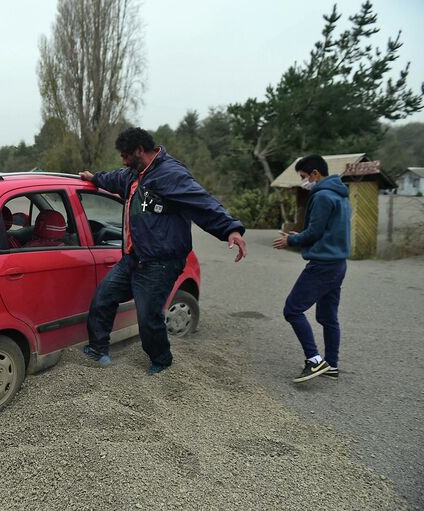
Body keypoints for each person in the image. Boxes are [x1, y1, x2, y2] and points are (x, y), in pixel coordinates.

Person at [79, 127, 246, 374]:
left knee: (148, 318)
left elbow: (202, 202)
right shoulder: (134, 174)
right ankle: (97, 350)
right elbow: (114, 179)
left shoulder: (171, 175)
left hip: (161, 262)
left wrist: (231, 229)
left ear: (139, 151)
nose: (123, 161)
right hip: (134, 257)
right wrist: (94, 178)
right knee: (104, 297)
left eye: (126, 155)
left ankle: (161, 362)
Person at [273, 154, 350, 383]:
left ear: (316, 173)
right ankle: (332, 365)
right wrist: (302, 236)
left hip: (322, 265)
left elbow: (315, 232)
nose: (304, 181)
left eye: (305, 176)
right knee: (328, 317)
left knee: (292, 309)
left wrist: (292, 240)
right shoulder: (341, 195)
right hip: (338, 263)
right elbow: (326, 231)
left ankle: (314, 360)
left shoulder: (323, 196)